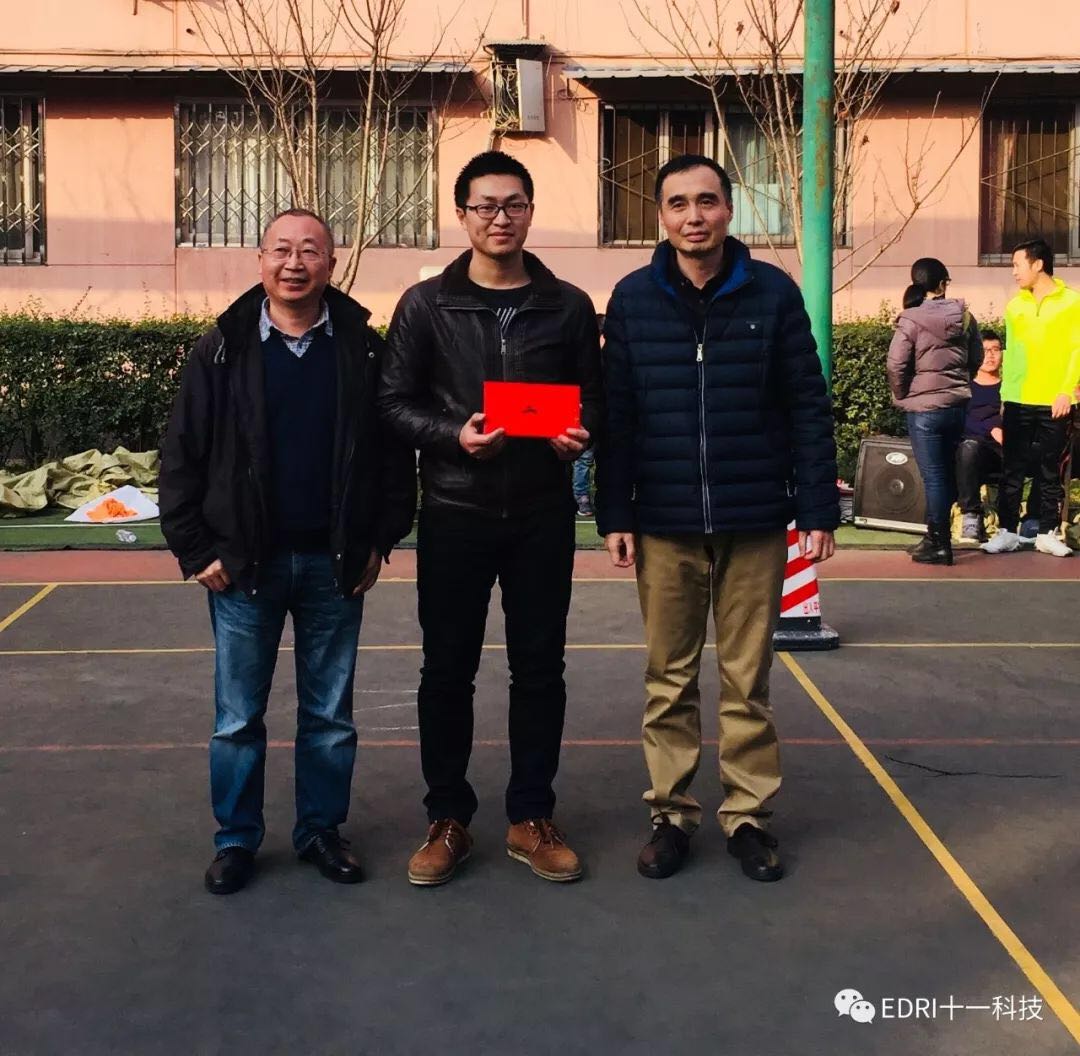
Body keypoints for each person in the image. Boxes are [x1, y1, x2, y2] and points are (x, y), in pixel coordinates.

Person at [596, 154, 838, 884]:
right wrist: (614, 510)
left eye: (706, 201)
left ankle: (748, 816)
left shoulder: (773, 292)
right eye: (678, 203)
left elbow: (806, 403)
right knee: (667, 679)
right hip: (663, 519)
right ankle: (671, 815)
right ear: (661, 216)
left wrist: (817, 506)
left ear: (730, 210)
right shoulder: (633, 298)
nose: (693, 216)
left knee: (746, 679)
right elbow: (617, 413)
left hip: (755, 518)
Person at [160, 208, 416, 895]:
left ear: (331, 263)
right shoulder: (222, 348)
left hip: (335, 566)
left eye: (310, 251)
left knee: (329, 717)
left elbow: (394, 456)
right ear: (261, 260)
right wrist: (196, 550)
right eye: (281, 250)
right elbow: (181, 456)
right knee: (237, 719)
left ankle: (320, 831)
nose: (294, 263)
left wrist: (380, 539)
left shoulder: (362, 349)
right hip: (245, 567)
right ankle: (236, 840)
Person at [378, 151, 603, 886]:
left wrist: (580, 434)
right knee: (447, 670)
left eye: (513, 205)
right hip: (454, 512)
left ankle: (531, 816)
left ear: (530, 212)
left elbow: (594, 398)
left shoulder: (567, 305)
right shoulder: (426, 306)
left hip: (542, 515)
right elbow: (392, 402)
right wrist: (454, 436)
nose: (499, 218)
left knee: (540, 669)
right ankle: (447, 817)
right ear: (462, 214)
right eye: (485, 206)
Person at [981, 239, 1080, 557]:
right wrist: (1005, 394)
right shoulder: (1015, 306)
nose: (1013, 272)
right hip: (1018, 399)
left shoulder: (1072, 302)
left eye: (1017, 265)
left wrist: (1066, 390)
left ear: (1038, 264)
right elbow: (1013, 354)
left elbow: (1077, 350)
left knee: (1050, 469)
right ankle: (1007, 531)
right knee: (1012, 468)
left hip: (1055, 400)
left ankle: (1047, 532)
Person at [886, 257, 982, 565]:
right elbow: (976, 358)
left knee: (934, 477)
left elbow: (896, 364)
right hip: (956, 405)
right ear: (942, 284)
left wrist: (903, 393)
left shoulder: (910, 319)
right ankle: (933, 538)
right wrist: (958, 383)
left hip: (924, 410)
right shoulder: (965, 317)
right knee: (946, 473)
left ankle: (940, 544)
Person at [955, 330, 1005, 541]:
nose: (990, 355)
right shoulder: (965, 388)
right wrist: (992, 428)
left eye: (995, 349)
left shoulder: (1011, 386)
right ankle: (971, 515)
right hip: (975, 452)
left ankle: (1035, 519)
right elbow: (961, 421)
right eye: (985, 350)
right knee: (968, 447)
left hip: (1007, 451)